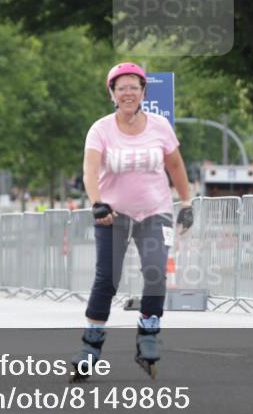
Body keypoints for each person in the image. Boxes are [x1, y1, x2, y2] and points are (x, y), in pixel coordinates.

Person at [71, 62, 194, 381]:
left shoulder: (160, 126)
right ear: (112, 93)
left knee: (155, 271)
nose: (128, 93)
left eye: (134, 87)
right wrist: (97, 204)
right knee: (107, 279)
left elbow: (176, 166)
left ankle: (148, 334)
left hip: (155, 210)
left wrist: (187, 202)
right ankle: (91, 345)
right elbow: (90, 171)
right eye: (121, 88)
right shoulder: (100, 129)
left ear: (143, 92)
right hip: (113, 212)